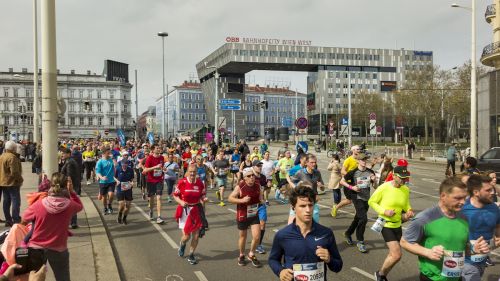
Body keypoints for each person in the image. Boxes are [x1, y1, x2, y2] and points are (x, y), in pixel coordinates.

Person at [400, 177, 490, 281]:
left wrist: (474, 250)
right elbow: (404, 242)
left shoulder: (464, 218)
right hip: (433, 278)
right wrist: (427, 252)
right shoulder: (425, 218)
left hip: (457, 277)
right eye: (458, 198)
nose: (463, 202)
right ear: (443, 196)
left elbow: (461, 247)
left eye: (464, 198)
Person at [268, 186, 343, 281]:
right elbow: (273, 259)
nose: (308, 210)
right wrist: (280, 271)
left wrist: (329, 259)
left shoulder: (326, 233)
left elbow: (338, 266)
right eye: (302, 206)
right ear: (293, 208)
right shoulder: (282, 235)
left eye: (310, 205)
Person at [22, 172, 83, 281]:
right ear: (66, 186)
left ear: (51, 185)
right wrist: (72, 192)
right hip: (59, 248)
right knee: (63, 278)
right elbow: (80, 207)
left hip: (36, 247)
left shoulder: (39, 204)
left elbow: (25, 217)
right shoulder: (70, 205)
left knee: (35, 278)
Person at [368, 165, 414, 280]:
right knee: (396, 254)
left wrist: (409, 210)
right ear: (394, 176)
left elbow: (406, 204)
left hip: (397, 224)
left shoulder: (405, 189)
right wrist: (384, 211)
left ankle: (381, 274)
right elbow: (372, 201)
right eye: (402, 178)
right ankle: (380, 274)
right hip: (385, 224)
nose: (404, 180)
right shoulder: (384, 187)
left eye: (406, 177)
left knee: (394, 256)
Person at [460, 174, 500, 280]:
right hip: (464, 261)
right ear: (476, 192)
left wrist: (497, 236)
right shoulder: (461, 209)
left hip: (482, 260)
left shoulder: (494, 208)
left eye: (492, 189)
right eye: (488, 190)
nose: (493, 192)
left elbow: (497, 226)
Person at [339, 153, 376, 253]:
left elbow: (375, 186)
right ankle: (360, 241)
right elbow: (342, 181)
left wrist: (374, 180)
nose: (364, 162)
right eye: (362, 160)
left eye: (365, 160)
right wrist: (352, 187)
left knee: (358, 218)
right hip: (356, 197)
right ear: (358, 161)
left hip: (366, 198)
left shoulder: (370, 172)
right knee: (363, 219)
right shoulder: (353, 172)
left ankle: (348, 233)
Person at [228, 168, 263, 267]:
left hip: (253, 214)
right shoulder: (240, 186)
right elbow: (230, 198)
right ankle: (241, 255)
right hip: (242, 214)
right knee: (243, 236)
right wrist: (242, 200)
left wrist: (262, 200)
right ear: (244, 178)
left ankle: (251, 254)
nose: (252, 177)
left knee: (256, 236)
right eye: (249, 176)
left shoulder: (257, 185)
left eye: (252, 175)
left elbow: (260, 197)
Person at [173, 164, 207, 265]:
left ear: (197, 172)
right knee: (186, 237)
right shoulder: (182, 182)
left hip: (196, 210)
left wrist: (204, 199)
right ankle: (182, 244)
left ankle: (191, 254)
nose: (192, 174)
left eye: (194, 172)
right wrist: (181, 202)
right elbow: (175, 196)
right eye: (190, 172)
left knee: (196, 236)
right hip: (184, 210)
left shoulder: (200, 183)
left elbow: (202, 196)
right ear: (187, 172)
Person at [290, 154, 325, 223]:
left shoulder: (317, 173)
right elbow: (291, 184)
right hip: (301, 200)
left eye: (315, 162)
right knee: (295, 223)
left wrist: (321, 186)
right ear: (306, 163)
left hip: (313, 201)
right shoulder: (300, 172)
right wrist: (298, 185)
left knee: (315, 222)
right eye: (312, 162)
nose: (314, 164)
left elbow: (323, 189)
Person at [332, 145, 361, 217]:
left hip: (358, 182)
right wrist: (351, 175)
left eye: (359, 149)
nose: (359, 150)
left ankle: (357, 216)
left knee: (358, 199)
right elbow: (342, 171)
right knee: (349, 200)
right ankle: (336, 207)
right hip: (348, 182)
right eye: (357, 149)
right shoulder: (348, 160)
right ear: (353, 151)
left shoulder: (360, 159)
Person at [0, 141, 23, 227]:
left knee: (6, 201)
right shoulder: (12, 157)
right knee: (15, 201)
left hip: (3, 182)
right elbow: (15, 172)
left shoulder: (1, 156)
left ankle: (8, 219)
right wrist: (20, 179)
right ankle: (16, 219)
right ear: (13, 148)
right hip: (12, 183)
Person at [59, 148, 82, 229]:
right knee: (71, 203)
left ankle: (73, 222)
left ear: (69, 154)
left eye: (64, 153)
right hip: (73, 185)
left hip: (70, 186)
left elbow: (69, 175)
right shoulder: (69, 161)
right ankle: (73, 222)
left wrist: (69, 186)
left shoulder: (69, 162)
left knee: (69, 204)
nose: (62, 155)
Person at [144, 144, 165, 224]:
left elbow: (161, 167)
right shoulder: (149, 158)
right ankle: (151, 210)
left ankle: (159, 216)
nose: (159, 149)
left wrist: (164, 169)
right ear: (153, 150)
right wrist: (154, 167)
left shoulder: (162, 158)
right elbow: (145, 170)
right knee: (152, 198)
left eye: (159, 148)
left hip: (159, 180)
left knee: (159, 198)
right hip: (151, 181)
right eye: (157, 148)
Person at [252, 160, 268, 255]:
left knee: (262, 223)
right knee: (247, 229)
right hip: (251, 205)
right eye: (258, 166)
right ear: (253, 167)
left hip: (261, 204)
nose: (260, 167)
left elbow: (264, 187)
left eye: (260, 165)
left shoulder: (263, 177)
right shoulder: (250, 176)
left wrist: (267, 186)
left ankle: (259, 245)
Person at [95, 147, 116, 215]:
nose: (109, 154)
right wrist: (101, 177)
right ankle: (105, 208)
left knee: (111, 194)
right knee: (104, 197)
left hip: (111, 181)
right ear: (103, 153)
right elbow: (98, 172)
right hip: (103, 182)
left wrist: (113, 159)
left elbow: (116, 166)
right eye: (108, 153)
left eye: (110, 153)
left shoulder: (111, 160)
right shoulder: (100, 162)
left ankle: (109, 204)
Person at [114, 159, 135, 225]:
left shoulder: (130, 170)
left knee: (128, 205)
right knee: (122, 204)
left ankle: (124, 218)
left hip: (128, 188)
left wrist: (132, 183)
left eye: (126, 164)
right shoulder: (118, 169)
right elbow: (114, 177)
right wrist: (117, 181)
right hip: (120, 188)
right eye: (123, 164)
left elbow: (132, 179)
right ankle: (119, 215)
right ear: (121, 164)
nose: (124, 165)